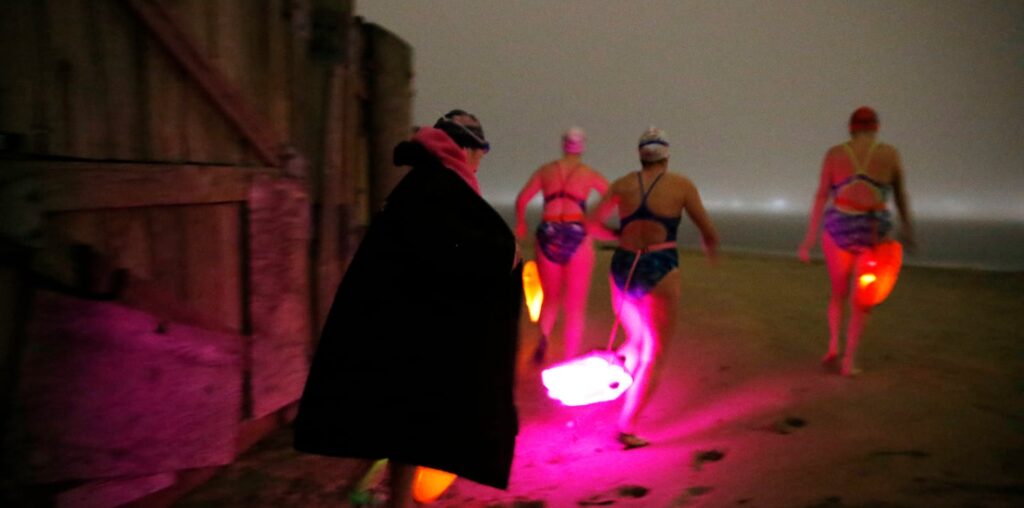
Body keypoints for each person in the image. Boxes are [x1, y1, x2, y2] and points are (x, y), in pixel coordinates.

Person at [294, 110, 523, 507]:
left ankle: (370, 491)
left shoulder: (423, 183)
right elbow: (449, 251)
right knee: (404, 432)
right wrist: (505, 254)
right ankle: (384, 498)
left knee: (398, 433)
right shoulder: (437, 187)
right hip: (407, 339)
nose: (480, 161)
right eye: (480, 152)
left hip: (399, 331)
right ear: (465, 148)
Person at [589, 127, 718, 449]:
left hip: (622, 267)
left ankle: (615, 368)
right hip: (659, 268)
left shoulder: (622, 184)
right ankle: (627, 427)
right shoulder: (682, 185)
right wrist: (711, 248)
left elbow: (590, 222)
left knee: (635, 337)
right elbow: (707, 229)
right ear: (667, 155)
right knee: (654, 352)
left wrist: (616, 236)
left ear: (640, 155)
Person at [798, 106, 915, 377]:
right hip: (874, 233)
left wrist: (809, 239)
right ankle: (850, 361)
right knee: (862, 301)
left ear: (851, 128)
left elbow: (820, 196)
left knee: (838, 293)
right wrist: (908, 230)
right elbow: (900, 197)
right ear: (876, 128)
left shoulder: (835, 154)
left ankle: (832, 346)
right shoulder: (889, 154)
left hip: (839, 227)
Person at [514, 127, 609, 363]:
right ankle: (570, 355)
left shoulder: (546, 171)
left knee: (551, 298)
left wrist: (521, 225)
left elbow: (522, 199)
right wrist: (597, 222)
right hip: (578, 232)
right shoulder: (588, 174)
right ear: (582, 147)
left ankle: (544, 337)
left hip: (548, 232)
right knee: (575, 303)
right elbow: (612, 197)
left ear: (563, 145)